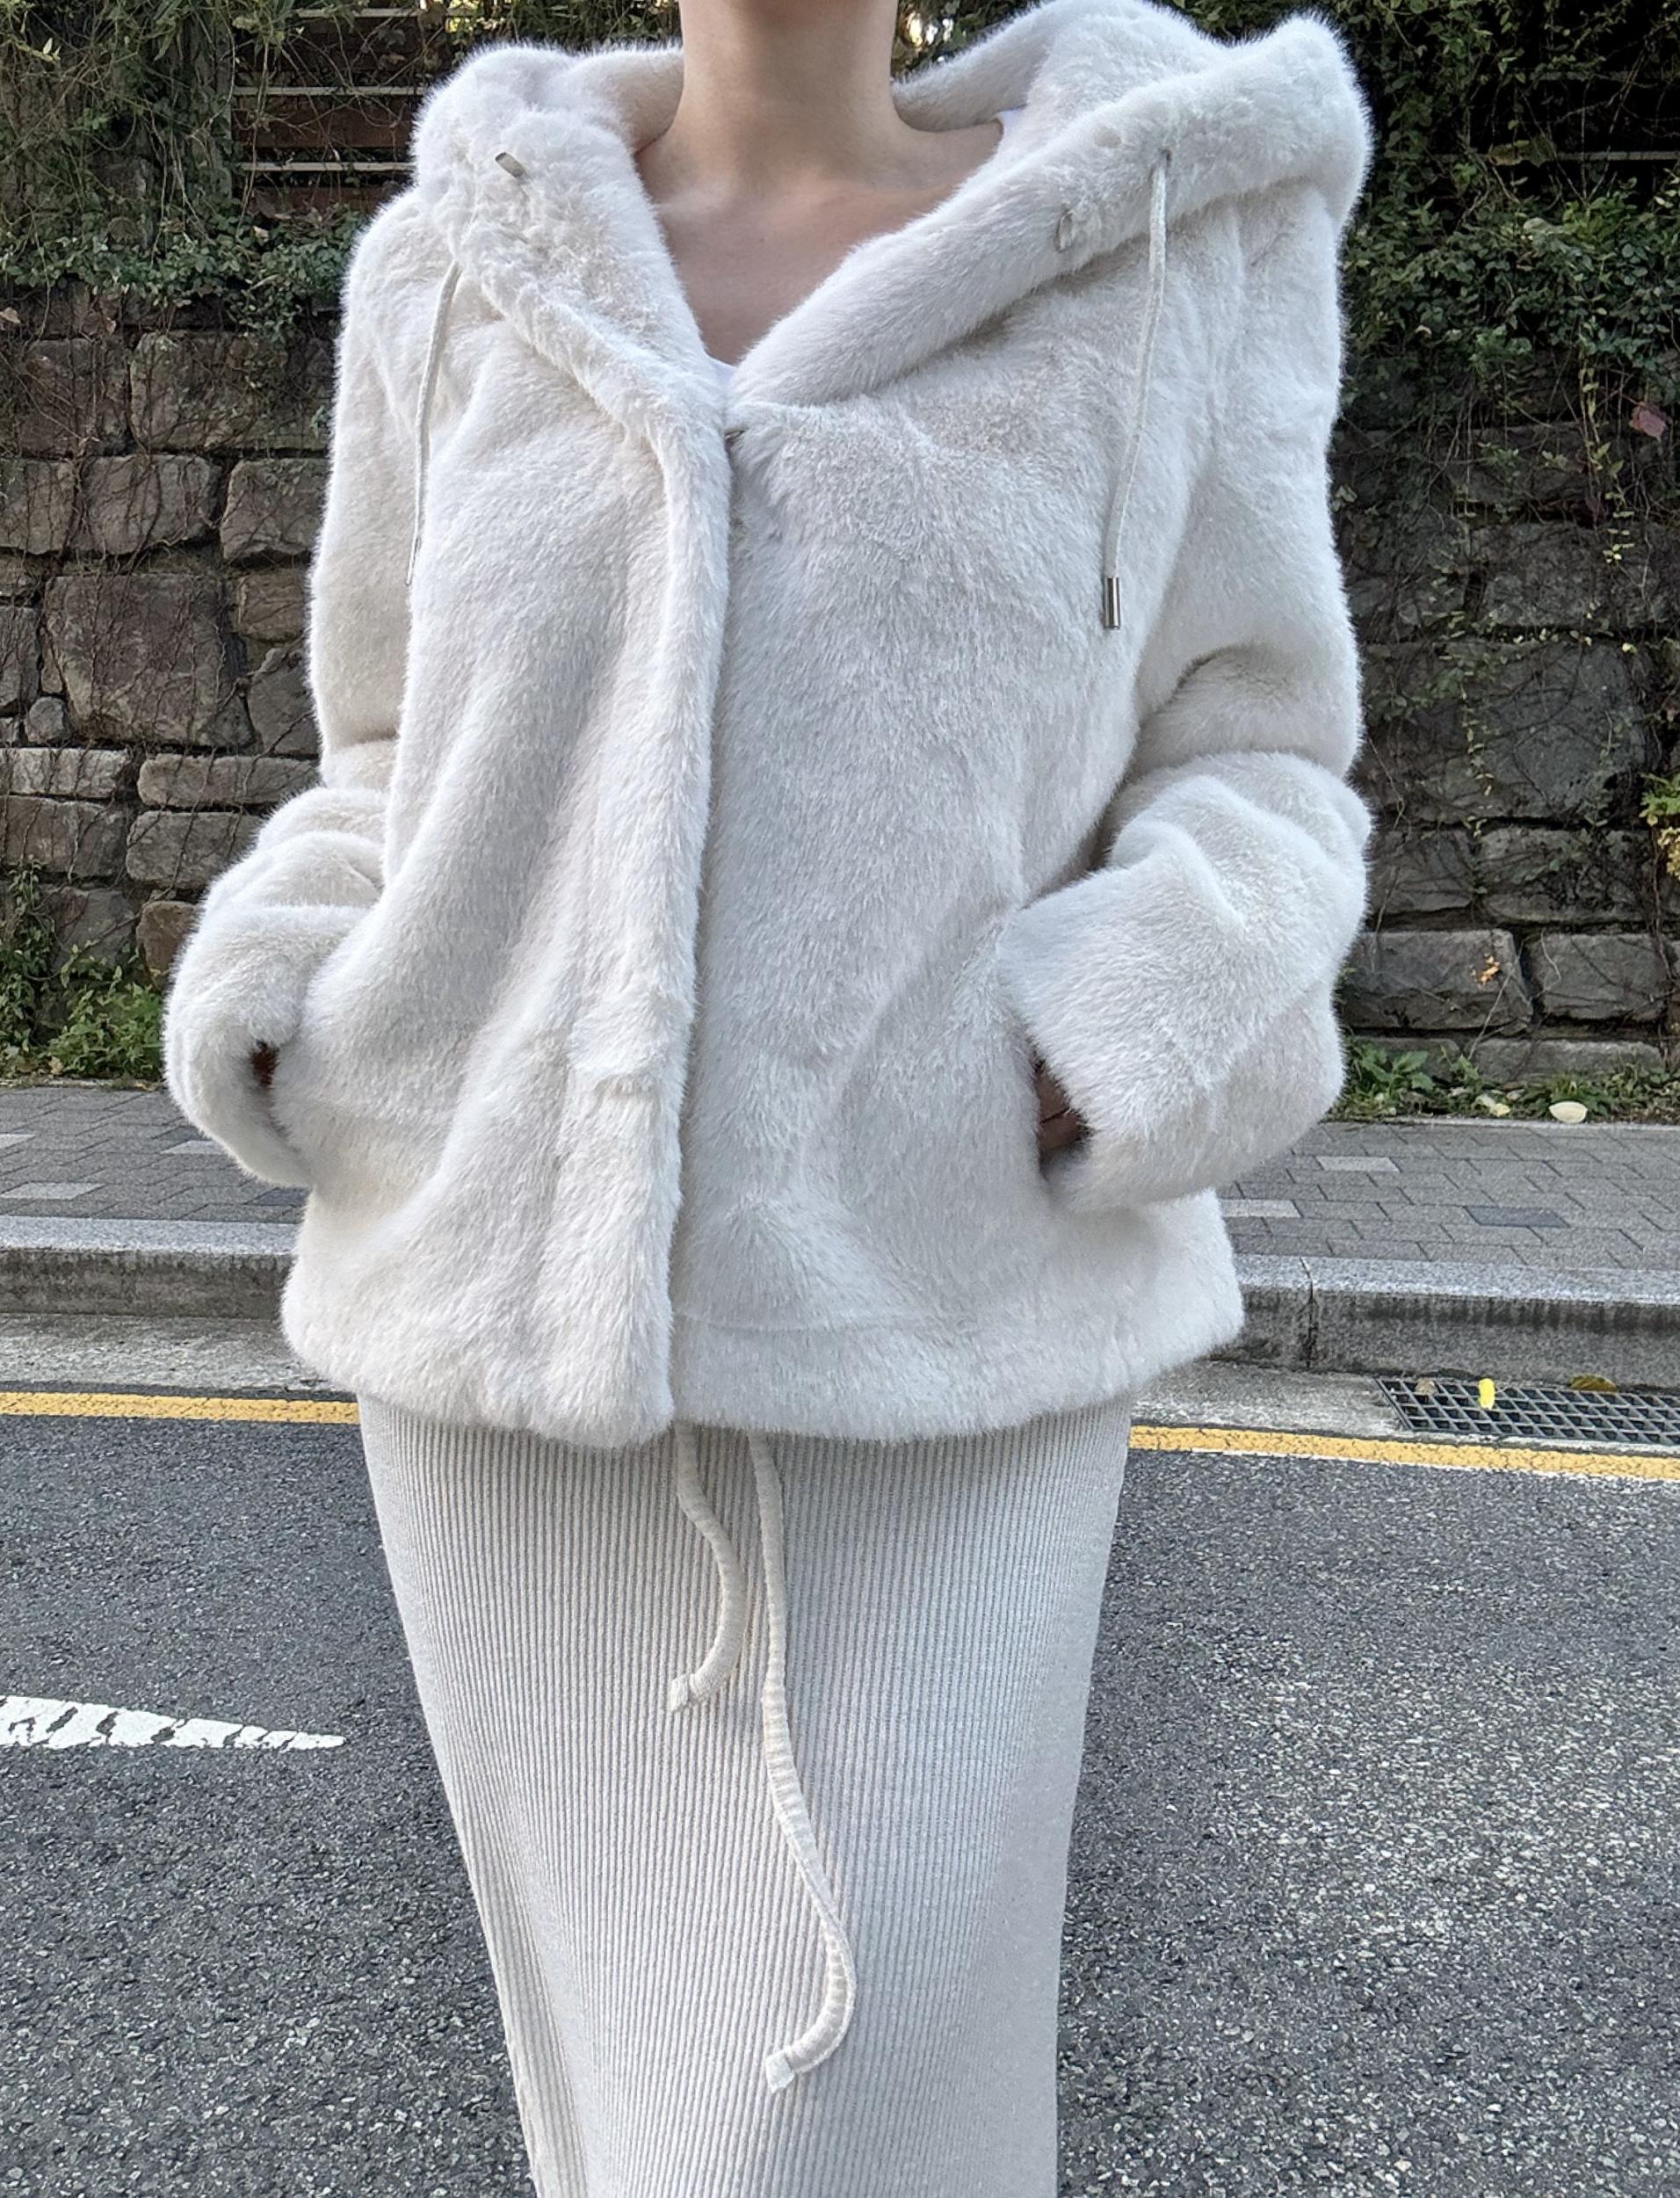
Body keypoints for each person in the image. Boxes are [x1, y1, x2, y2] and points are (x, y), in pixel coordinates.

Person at [161, 0, 1373, 2187]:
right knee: (627, 2110)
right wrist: (286, 979)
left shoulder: (1172, 236)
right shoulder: (451, 260)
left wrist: (1129, 1021)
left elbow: (1260, 745)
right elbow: (388, 752)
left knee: (848, 2104)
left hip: (950, 1314)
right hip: (494, 1317)